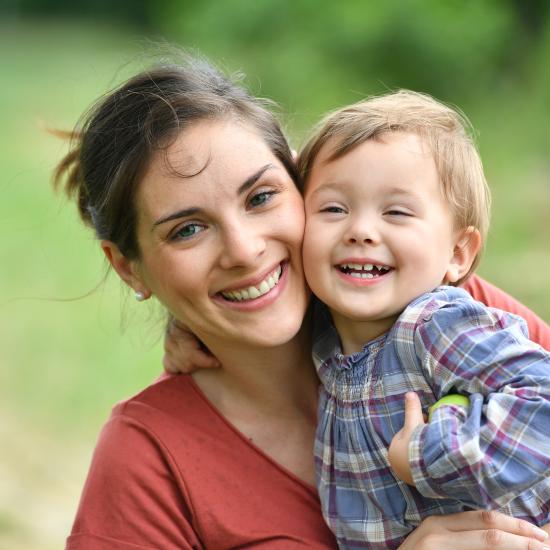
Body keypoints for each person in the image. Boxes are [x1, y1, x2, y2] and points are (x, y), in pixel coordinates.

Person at [54, 54, 550, 549]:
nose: (245, 251)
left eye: (260, 197)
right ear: (127, 266)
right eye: (188, 230)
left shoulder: (438, 310)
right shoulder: (147, 461)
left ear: (298, 184)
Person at [294, 90, 550, 549]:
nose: (361, 230)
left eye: (396, 211)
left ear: (457, 254)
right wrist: (189, 331)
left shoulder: (435, 324)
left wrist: (426, 458)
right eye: (334, 208)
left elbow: (543, 399)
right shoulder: (325, 335)